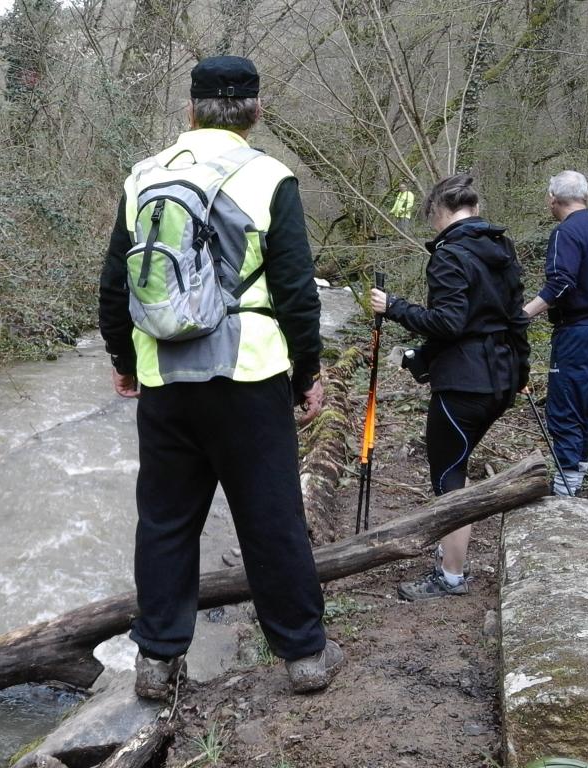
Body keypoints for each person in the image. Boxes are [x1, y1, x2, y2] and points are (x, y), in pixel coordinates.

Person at [98, 55, 342, 697]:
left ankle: (156, 663)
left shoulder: (144, 176)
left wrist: (125, 361)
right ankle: (304, 656)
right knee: (271, 516)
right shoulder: (270, 177)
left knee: (165, 521)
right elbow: (296, 293)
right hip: (249, 375)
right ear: (256, 112)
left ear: (190, 109)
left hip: (165, 376)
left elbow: (115, 284)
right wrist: (306, 373)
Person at [370, 175, 530, 601]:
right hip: (501, 379)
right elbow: (515, 318)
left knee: (449, 477)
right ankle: (451, 559)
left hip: (465, 384)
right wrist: (522, 372)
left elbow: (448, 322)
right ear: (474, 209)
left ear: (438, 212)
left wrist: (394, 307)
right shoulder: (500, 248)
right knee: (456, 465)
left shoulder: (449, 254)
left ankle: (451, 576)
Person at [522, 171, 588, 496]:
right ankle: (577, 471)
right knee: (586, 401)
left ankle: (566, 485)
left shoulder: (566, 232)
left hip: (578, 329)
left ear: (553, 199)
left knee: (566, 402)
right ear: (586, 196)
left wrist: (522, 315)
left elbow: (561, 283)